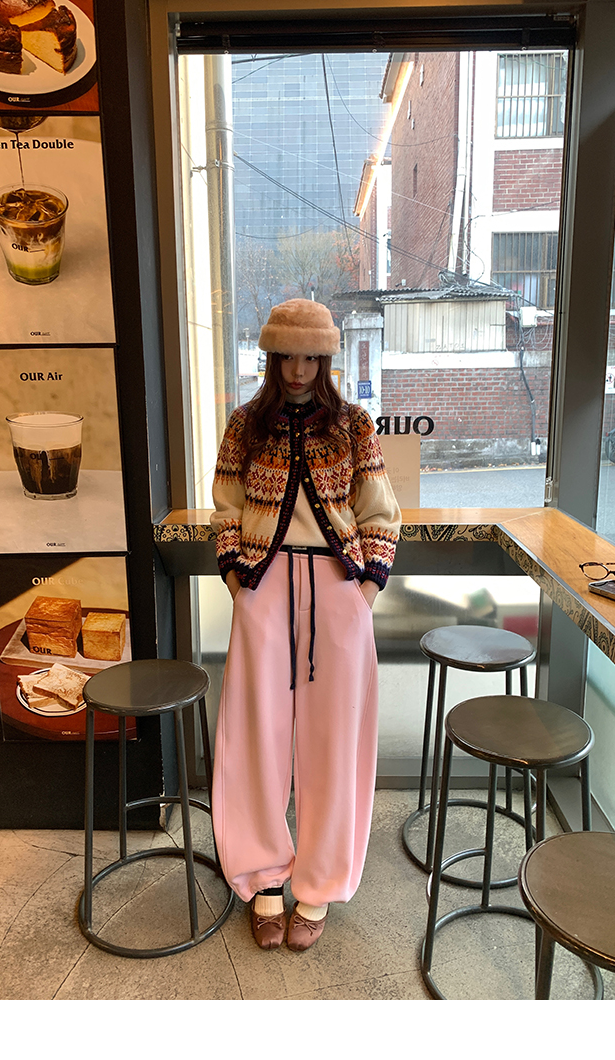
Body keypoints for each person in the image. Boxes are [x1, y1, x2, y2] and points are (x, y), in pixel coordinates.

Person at [210, 298, 401, 952]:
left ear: (326, 359)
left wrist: (365, 589)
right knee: (254, 736)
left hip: (338, 592)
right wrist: (236, 580)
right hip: (262, 589)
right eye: (286, 356)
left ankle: (318, 885)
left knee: (335, 742)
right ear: (270, 357)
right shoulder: (245, 424)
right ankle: (263, 877)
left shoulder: (354, 425)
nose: (297, 370)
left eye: (310, 357)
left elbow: (381, 512)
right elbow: (226, 508)